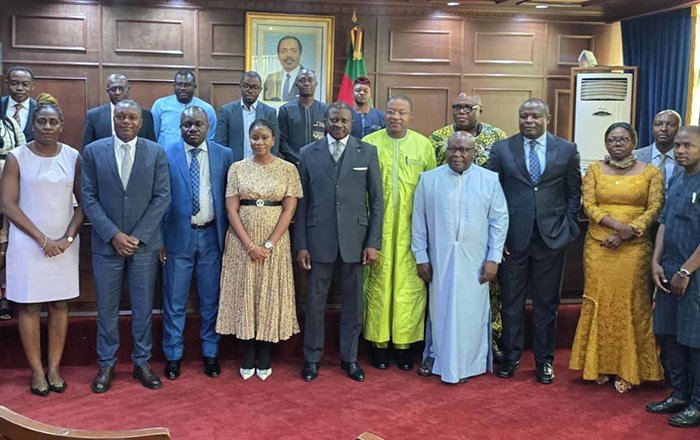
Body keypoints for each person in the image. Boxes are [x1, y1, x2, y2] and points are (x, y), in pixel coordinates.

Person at [487, 98, 581, 384]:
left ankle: (544, 361)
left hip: (551, 239)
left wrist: (568, 227)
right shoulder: (502, 149)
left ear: (547, 118)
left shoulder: (567, 149)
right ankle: (511, 356)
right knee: (511, 303)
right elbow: (491, 193)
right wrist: (496, 236)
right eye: (524, 116)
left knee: (547, 303)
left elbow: (573, 192)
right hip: (513, 240)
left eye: (535, 116)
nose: (528, 121)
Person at [82, 99, 171, 393]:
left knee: (143, 307)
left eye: (132, 117)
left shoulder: (155, 152)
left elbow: (162, 196)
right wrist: (114, 235)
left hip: (143, 246)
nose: (126, 122)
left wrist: (138, 236)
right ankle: (106, 364)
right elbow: (88, 197)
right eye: (121, 116)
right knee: (106, 309)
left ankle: (141, 362)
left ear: (141, 122)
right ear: (113, 120)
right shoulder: (94, 151)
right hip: (107, 245)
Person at [569, 122, 664, 393]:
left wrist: (626, 233)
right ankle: (598, 365)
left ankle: (629, 369)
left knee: (630, 303)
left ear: (633, 142)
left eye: (623, 139)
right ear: (606, 143)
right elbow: (589, 205)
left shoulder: (651, 172)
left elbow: (655, 208)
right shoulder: (594, 170)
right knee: (599, 301)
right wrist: (615, 227)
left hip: (635, 247)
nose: (617, 144)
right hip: (599, 245)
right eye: (612, 139)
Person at [0, 93, 83, 396]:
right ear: (33, 124)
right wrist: (42, 240)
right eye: (42, 121)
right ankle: (36, 371)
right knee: (30, 305)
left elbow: (84, 203)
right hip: (28, 243)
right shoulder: (17, 157)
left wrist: (67, 239)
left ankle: (54, 368)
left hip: (64, 245)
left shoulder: (73, 157)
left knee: (60, 304)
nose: (47, 126)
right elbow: (8, 204)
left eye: (53, 122)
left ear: (61, 125)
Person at [295, 102, 383, 383]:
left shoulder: (367, 151)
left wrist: (373, 242)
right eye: (334, 120)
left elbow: (377, 201)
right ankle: (312, 359)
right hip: (318, 240)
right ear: (326, 121)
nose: (339, 125)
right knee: (315, 305)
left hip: (355, 242)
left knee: (353, 306)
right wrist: (302, 245)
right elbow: (301, 203)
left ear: (351, 122)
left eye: (344, 120)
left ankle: (350, 358)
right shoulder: (308, 153)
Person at [412, 131, 508, 384]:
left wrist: (494, 258)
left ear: (474, 153)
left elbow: (499, 221)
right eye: (453, 149)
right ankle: (437, 358)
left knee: (471, 312)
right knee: (439, 311)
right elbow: (418, 221)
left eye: (464, 150)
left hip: (476, 261)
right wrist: (421, 256)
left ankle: (468, 364)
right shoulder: (429, 180)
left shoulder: (489, 180)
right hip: (439, 260)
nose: (458, 154)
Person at [216, 118, 302, 381]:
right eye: (255, 137)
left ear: (273, 139)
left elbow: (289, 209)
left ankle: (264, 354)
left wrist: (268, 244)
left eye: (264, 137)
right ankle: (248, 353)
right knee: (246, 292)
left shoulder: (288, 169)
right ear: (249, 139)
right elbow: (231, 209)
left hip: (275, 242)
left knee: (268, 292)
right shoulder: (237, 168)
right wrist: (250, 245)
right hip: (241, 241)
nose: (259, 142)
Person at [429, 92, 508, 363]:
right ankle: (441, 347)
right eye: (457, 107)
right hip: (447, 229)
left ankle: (490, 340)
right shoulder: (438, 138)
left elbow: (503, 186)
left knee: (487, 288)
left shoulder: (497, 138)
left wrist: (499, 241)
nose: (462, 111)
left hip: (482, 227)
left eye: (468, 107)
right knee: (445, 293)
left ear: (480, 110)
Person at [363, 94, 436, 371]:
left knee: (409, 286)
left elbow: (431, 191)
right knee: (378, 285)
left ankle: (404, 346)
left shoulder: (423, 146)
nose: (395, 116)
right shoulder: (369, 143)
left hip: (412, 230)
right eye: (391, 111)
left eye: (401, 112)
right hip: (377, 229)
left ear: (411, 115)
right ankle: (378, 344)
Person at [160, 107, 233, 380]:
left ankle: (210, 353)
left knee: (210, 300)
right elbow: (160, 199)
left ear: (208, 126)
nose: (192, 129)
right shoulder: (166, 153)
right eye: (187, 124)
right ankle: (173, 355)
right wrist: (160, 239)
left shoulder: (224, 154)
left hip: (212, 236)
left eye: (198, 124)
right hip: (177, 238)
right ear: (180, 127)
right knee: (174, 301)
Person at [646, 126, 700, 428]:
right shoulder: (678, 177)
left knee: (695, 340)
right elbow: (664, 223)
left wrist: (685, 271)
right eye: (677, 146)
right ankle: (679, 394)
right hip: (668, 269)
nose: (680, 151)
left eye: (687, 146)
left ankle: (697, 404)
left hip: (693, 275)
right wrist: (656, 261)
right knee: (671, 335)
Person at [215, 71, 279, 161]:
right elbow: (220, 143)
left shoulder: (270, 112)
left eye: (255, 87)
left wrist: (270, 164)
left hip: (262, 164)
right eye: (246, 86)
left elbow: (274, 144)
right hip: (233, 164)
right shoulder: (227, 111)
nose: (250, 90)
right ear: (240, 87)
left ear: (260, 90)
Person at [0, 101, 26, 321]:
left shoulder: (8, 123)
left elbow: (22, 152)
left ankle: (4, 299)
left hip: (7, 188)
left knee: (3, 245)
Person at [82, 73, 156, 147]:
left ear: (128, 89)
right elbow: (87, 148)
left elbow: (152, 146)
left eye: (121, 89)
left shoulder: (145, 115)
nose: (117, 93)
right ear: (107, 91)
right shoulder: (94, 116)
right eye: (113, 89)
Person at [151, 70, 217, 148]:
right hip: (165, 153)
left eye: (187, 85)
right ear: (174, 86)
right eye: (179, 84)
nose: (183, 88)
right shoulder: (160, 105)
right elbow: (153, 135)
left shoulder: (207, 109)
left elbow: (210, 139)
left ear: (194, 87)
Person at [277, 69, 328, 165]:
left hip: (319, 164)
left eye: (310, 80)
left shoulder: (325, 110)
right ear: (296, 83)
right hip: (293, 164)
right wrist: (298, 159)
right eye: (302, 80)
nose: (306, 83)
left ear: (316, 84)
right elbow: (282, 141)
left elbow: (328, 139)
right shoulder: (285, 110)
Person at [636, 109, 683, 192]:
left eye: (671, 125)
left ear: (680, 129)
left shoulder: (688, 159)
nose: (664, 129)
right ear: (652, 127)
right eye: (658, 124)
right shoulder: (635, 157)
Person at [263, 36, 304, 101]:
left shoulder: (309, 78)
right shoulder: (271, 79)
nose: (289, 55)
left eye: (293, 51)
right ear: (278, 55)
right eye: (283, 51)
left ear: (300, 54)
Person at [2, 66, 36, 142]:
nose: (19, 88)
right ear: (7, 84)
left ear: (33, 86)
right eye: (14, 84)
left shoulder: (39, 109)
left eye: (25, 84)